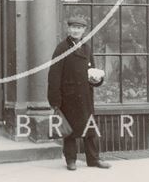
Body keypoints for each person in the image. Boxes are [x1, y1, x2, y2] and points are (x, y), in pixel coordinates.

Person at [47, 14, 111, 171]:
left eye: (79, 28)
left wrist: (97, 79)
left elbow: (91, 71)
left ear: (84, 30)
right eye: (73, 27)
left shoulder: (87, 48)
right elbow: (53, 76)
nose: (76, 30)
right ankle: (71, 160)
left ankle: (94, 159)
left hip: (85, 95)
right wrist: (55, 101)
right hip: (68, 97)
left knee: (90, 129)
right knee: (69, 131)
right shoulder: (61, 48)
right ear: (68, 29)